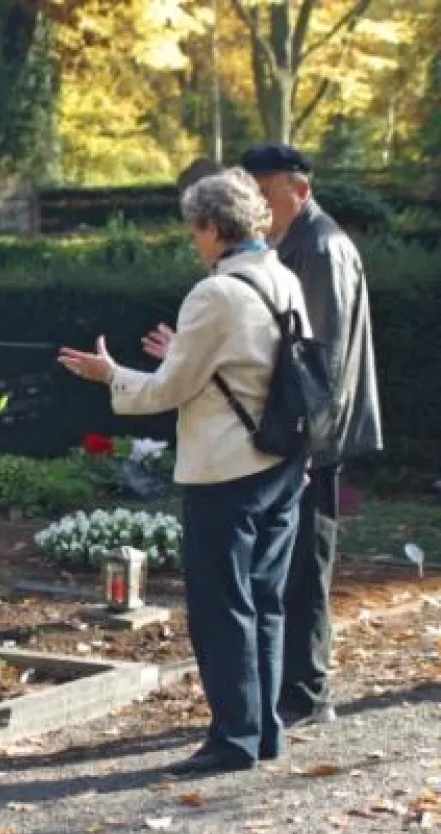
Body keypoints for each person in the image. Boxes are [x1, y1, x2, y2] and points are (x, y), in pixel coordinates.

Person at [59, 168, 310, 774]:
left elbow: (169, 390)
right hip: (280, 462)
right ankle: (263, 730)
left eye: (193, 230)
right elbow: (253, 367)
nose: (192, 242)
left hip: (225, 470)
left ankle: (232, 739)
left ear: (212, 226)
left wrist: (110, 374)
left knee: (223, 609)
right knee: (266, 603)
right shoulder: (283, 278)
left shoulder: (215, 293)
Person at [240, 144, 383, 728]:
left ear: (299, 192)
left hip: (313, 437)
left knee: (306, 566)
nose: (257, 207)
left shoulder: (319, 247)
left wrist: (306, 442)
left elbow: (317, 357)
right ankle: (296, 686)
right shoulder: (298, 242)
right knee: (293, 563)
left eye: (265, 195)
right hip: (305, 432)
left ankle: (307, 691)